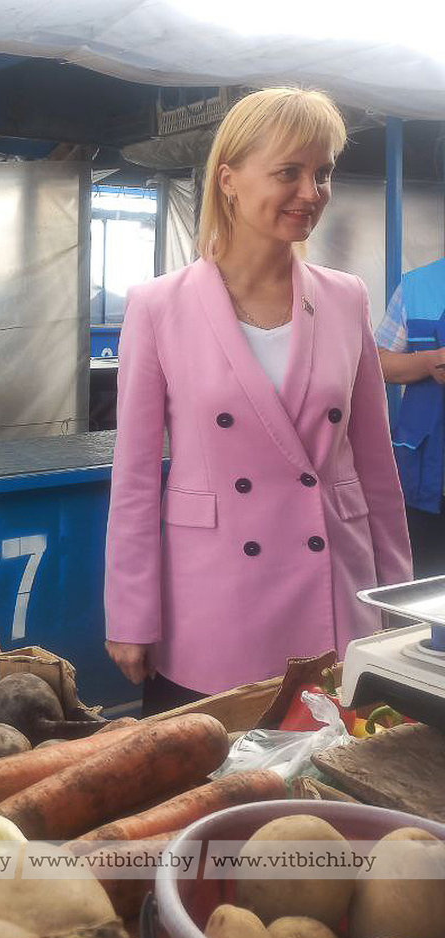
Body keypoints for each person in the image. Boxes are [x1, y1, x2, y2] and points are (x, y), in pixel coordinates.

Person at [104, 88, 412, 716]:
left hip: (337, 588)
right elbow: (134, 478)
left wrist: (398, 601)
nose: (311, 192)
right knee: (215, 767)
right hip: (215, 597)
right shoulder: (158, 306)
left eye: (322, 172)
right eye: (288, 172)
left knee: (336, 767)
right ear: (229, 181)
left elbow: (377, 467)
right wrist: (130, 613)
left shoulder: (347, 297)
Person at [376, 257, 445, 577]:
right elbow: (377, 359)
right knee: (425, 586)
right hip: (426, 476)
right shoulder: (417, 286)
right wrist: (427, 362)